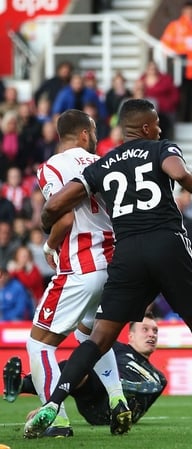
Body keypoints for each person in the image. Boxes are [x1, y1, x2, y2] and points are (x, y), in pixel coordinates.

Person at [25, 98, 192, 438]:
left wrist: (45, 225)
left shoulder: (104, 163)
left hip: (127, 256)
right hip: (167, 244)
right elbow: (180, 174)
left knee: (98, 339)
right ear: (145, 127)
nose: (159, 129)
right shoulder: (160, 148)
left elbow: (57, 204)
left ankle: (53, 403)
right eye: (156, 124)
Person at [20, 109, 128, 438]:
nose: (94, 136)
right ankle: (118, 399)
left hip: (82, 264)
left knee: (39, 344)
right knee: (89, 336)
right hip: (115, 265)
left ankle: (57, 420)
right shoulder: (104, 163)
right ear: (84, 134)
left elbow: (63, 219)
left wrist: (50, 247)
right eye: (92, 131)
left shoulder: (53, 166)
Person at [4, 315, 167, 431]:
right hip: (94, 394)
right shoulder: (115, 347)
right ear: (130, 335)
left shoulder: (158, 377)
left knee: (80, 369)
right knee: (77, 368)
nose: (151, 334)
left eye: (155, 331)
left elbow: (142, 406)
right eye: (145, 329)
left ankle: (37, 395)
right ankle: (24, 386)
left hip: (116, 411)